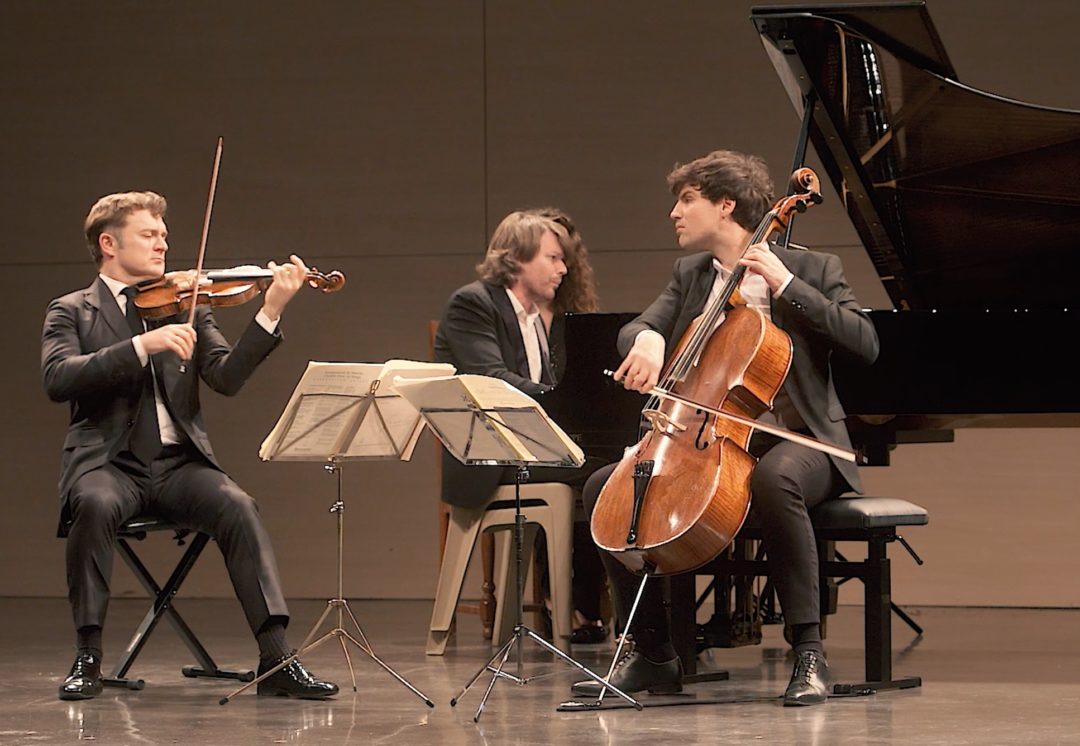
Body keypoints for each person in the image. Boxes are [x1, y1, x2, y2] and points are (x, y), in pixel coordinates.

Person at [571, 150, 879, 705]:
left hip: (797, 440)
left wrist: (788, 286)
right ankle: (654, 654)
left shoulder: (812, 268)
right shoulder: (690, 275)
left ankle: (808, 654)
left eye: (687, 199)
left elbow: (865, 342)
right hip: (706, 439)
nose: (674, 213)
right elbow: (645, 322)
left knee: (774, 479)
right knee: (603, 491)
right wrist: (645, 338)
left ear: (727, 205)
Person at [42, 191, 338, 701]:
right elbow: (58, 377)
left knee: (239, 507)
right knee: (93, 505)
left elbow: (225, 378)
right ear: (109, 244)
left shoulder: (187, 305)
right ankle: (88, 655)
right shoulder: (73, 310)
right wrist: (140, 345)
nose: (164, 243)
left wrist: (269, 311)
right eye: (149, 234)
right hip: (110, 465)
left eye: (164, 234)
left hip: (180, 466)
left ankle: (276, 656)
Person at [433, 208, 609, 643]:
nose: (564, 268)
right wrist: (560, 402)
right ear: (517, 258)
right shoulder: (472, 303)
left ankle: (581, 605)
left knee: (611, 469)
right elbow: (490, 380)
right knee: (600, 474)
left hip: (527, 450)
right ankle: (575, 607)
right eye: (552, 257)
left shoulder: (537, 318)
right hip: (487, 459)